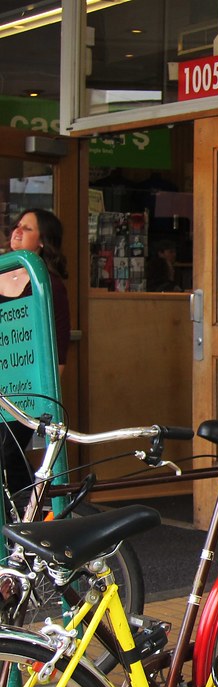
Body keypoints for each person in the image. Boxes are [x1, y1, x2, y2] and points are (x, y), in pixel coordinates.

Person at [0, 209, 72, 509]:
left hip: (26, 390)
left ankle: (30, 519)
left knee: (8, 454)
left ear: (42, 241)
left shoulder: (48, 285)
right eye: (16, 226)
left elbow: (58, 346)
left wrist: (45, 399)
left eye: (26, 228)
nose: (17, 231)